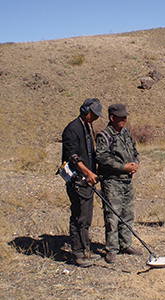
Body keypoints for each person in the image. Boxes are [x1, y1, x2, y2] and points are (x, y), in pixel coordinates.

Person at [95, 103, 142, 263]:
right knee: (112, 216)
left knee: (128, 213)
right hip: (112, 182)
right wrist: (122, 167)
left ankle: (125, 244)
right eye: (121, 117)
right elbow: (102, 158)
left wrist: (135, 164)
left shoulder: (125, 133)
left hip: (127, 181)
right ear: (112, 118)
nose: (124, 120)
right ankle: (111, 249)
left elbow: (134, 150)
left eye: (125, 117)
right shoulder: (104, 136)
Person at [62, 98, 103, 267]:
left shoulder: (86, 126)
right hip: (78, 180)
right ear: (86, 111)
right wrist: (88, 173)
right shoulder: (72, 129)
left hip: (87, 180)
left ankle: (86, 250)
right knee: (78, 217)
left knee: (86, 218)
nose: (96, 118)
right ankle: (78, 254)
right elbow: (73, 158)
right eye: (94, 114)